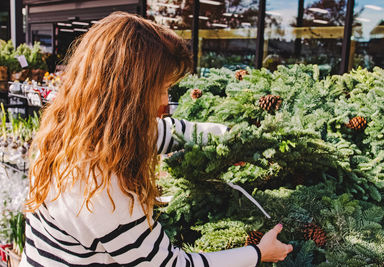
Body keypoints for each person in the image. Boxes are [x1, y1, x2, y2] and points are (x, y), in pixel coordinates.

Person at [20, 12, 292, 266]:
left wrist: (238, 137)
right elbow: (167, 264)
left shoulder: (80, 131)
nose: (165, 100)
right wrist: (257, 253)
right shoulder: (96, 179)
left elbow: (171, 131)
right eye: (160, 88)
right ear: (129, 91)